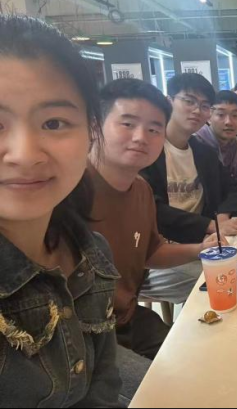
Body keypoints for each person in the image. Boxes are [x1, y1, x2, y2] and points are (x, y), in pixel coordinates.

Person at [0, 15, 121, 406]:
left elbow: (102, 388)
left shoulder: (90, 252)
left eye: (54, 123)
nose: (24, 155)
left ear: (90, 132)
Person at [90, 79, 221, 360]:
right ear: (94, 126)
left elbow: (151, 251)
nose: (141, 137)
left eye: (153, 129)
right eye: (127, 124)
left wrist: (200, 249)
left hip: (127, 319)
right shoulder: (66, 191)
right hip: (84, 338)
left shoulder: (141, 190)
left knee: (204, 360)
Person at [141, 73, 237, 241]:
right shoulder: (147, 151)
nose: (197, 110)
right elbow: (151, 208)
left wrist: (222, 216)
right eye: (189, 101)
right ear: (169, 101)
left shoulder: (203, 153)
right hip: (164, 249)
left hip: (206, 242)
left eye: (204, 105)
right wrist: (209, 225)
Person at [196, 91, 237, 189]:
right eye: (221, 115)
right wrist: (234, 187)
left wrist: (229, 189)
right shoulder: (197, 143)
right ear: (209, 117)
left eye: (235, 116)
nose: (228, 122)